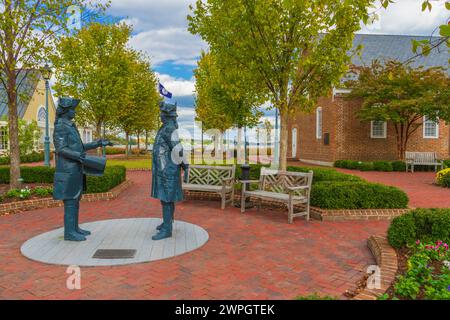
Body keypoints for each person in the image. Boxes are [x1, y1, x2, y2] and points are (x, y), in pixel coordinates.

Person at [53, 97, 113, 242]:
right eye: (72, 109)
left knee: (75, 200)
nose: (74, 112)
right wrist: (78, 156)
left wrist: (98, 143)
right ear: (66, 111)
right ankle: (69, 233)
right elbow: (60, 149)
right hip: (68, 171)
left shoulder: (70, 126)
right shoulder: (61, 126)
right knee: (70, 202)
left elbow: (79, 147)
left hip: (75, 169)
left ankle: (74, 228)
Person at [151, 102, 189, 241]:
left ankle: (167, 229)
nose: (160, 115)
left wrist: (186, 166)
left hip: (168, 170)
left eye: (162, 113)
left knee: (166, 198)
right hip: (164, 169)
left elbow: (177, 149)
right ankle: (167, 222)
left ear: (166, 115)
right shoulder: (166, 127)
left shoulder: (168, 128)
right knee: (166, 197)